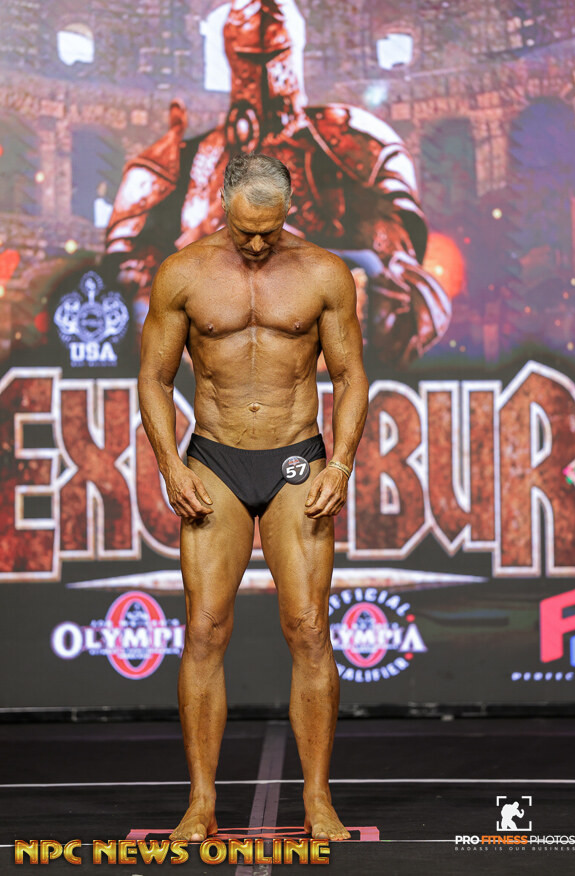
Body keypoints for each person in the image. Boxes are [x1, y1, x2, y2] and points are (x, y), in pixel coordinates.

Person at [138, 152, 369, 842]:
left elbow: (351, 376)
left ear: (288, 209)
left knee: (310, 628)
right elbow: (153, 378)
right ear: (224, 205)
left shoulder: (323, 273)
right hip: (215, 457)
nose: (259, 243)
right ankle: (200, 802)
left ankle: (318, 799)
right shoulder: (183, 273)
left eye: (270, 230)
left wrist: (341, 464)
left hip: (298, 459)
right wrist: (170, 465)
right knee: (205, 629)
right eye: (246, 231)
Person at [109, 0, 450, 364]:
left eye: (273, 57)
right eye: (250, 59)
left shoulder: (351, 143)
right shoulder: (193, 157)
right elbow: (130, 278)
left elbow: (403, 277)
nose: (263, 74)